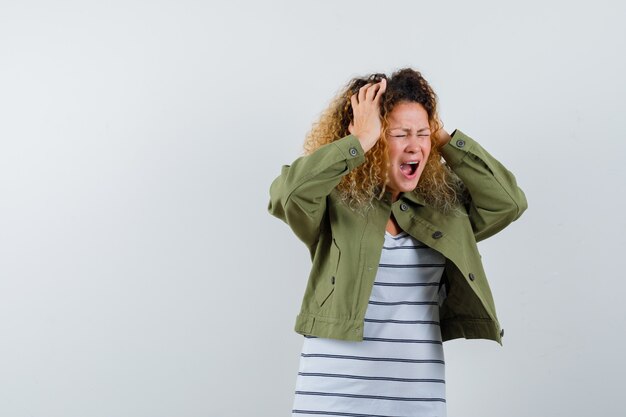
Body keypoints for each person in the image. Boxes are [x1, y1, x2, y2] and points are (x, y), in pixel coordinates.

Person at [268, 68, 527, 417]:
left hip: (416, 398)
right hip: (332, 395)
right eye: (399, 133)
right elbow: (289, 195)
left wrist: (444, 138)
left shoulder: (444, 209)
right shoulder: (335, 201)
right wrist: (357, 141)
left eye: (421, 133)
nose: (414, 144)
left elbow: (508, 202)